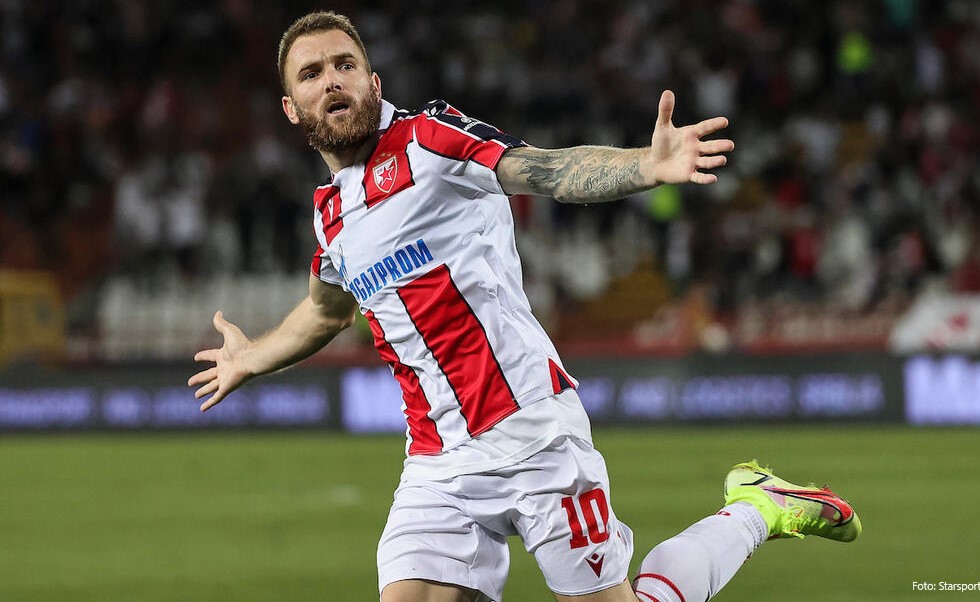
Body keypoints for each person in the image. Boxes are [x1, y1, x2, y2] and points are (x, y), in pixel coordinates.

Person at [188, 11, 861, 602]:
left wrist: (644, 167)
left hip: (531, 431)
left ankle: (755, 509)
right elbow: (326, 311)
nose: (332, 80)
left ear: (375, 81)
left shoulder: (428, 141)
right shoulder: (331, 215)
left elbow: (543, 169)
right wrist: (250, 359)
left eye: (345, 64)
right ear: (291, 108)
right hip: (435, 460)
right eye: (312, 74)